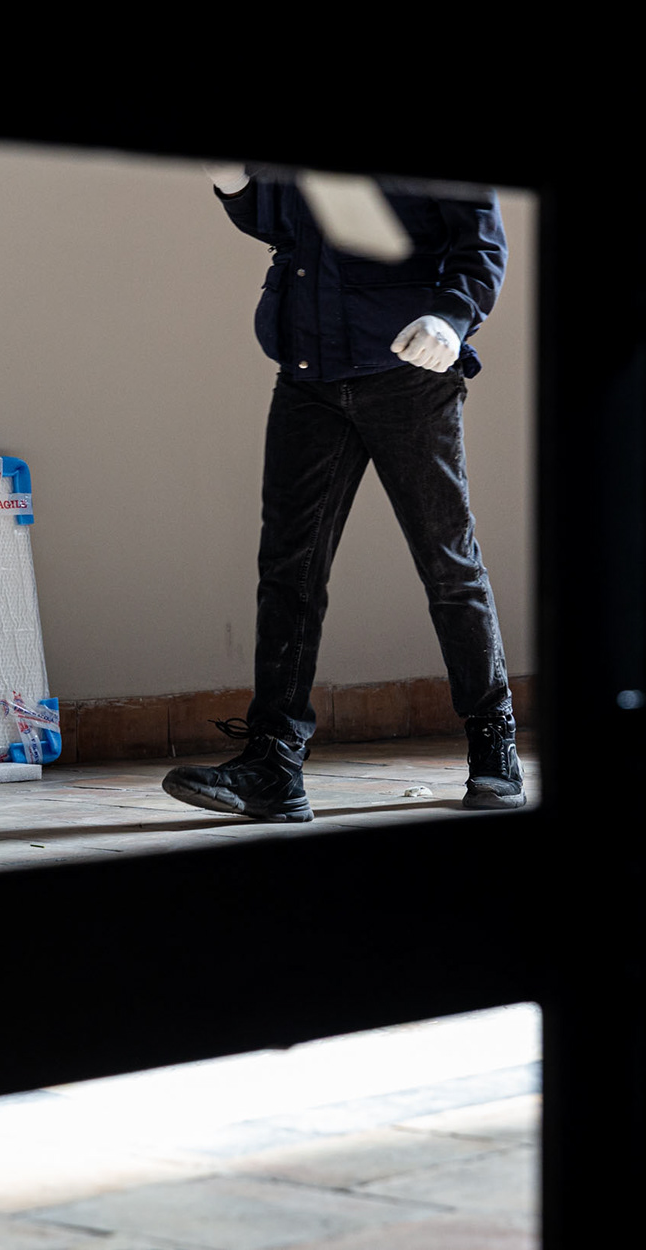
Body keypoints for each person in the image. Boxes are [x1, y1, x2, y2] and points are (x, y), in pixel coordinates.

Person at [161, 163, 524, 822]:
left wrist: (451, 320)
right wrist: (234, 182)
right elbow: (280, 222)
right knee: (288, 571)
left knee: (449, 566)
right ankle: (273, 766)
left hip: (409, 377)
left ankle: (494, 749)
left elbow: (480, 246)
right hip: (307, 376)